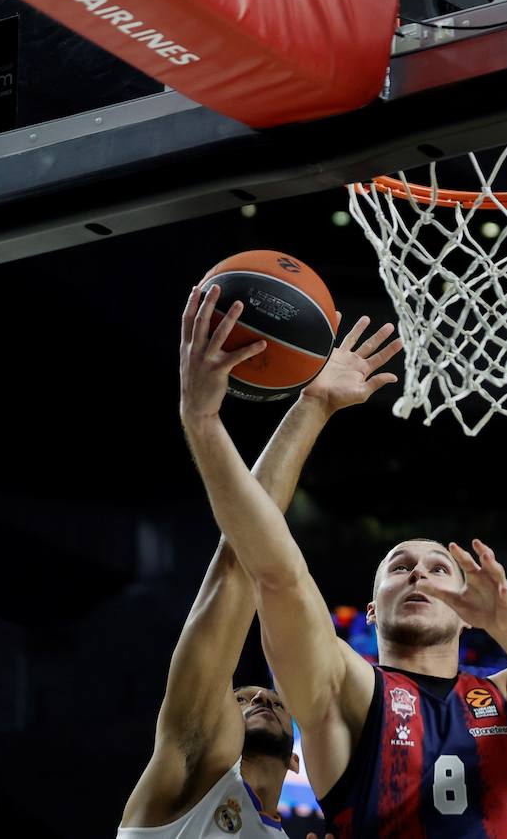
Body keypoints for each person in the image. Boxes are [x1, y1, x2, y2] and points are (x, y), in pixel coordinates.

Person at [179, 284, 507, 837]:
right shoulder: (344, 687)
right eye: (399, 567)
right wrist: (214, 420)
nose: (419, 572)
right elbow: (273, 568)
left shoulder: (506, 697)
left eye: (439, 569)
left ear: (464, 613)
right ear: (373, 610)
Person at [120, 290, 402, 838]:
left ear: (297, 761)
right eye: (242, 699)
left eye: (264, 697)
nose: (260, 698)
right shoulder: (191, 769)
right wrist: (313, 405)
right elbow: (239, 560)